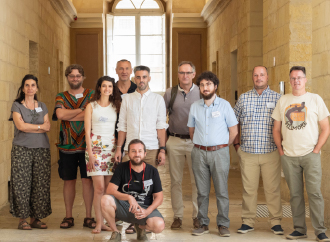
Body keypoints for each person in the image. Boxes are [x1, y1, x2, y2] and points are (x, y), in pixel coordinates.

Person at [272, 66, 330, 241]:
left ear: (305, 80)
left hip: (310, 155)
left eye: (299, 77)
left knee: (314, 193)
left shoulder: (315, 99)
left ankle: (320, 230)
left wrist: (317, 149)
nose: (296, 81)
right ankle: (299, 229)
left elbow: (326, 127)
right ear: (289, 81)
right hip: (289, 156)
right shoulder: (283, 100)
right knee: (295, 194)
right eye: (293, 78)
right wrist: (281, 151)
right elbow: (276, 129)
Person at [233, 66, 283, 234]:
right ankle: (248, 221)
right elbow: (234, 122)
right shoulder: (243, 98)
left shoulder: (278, 98)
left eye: (262, 75)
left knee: (273, 189)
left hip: (271, 153)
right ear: (252, 78)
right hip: (248, 153)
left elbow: (283, 125)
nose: (259, 78)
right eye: (255, 75)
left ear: (267, 77)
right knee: (249, 189)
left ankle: (276, 222)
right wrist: (236, 145)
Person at [187, 71, 238, 237]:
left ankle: (223, 224)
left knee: (221, 190)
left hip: (220, 153)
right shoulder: (195, 106)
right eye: (202, 85)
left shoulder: (225, 105)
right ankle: (202, 223)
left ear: (215, 86)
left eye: (208, 84)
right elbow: (192, 130)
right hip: (199, 153)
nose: (205, 87)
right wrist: (201, 144)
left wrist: (222, 146)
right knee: (202, 191)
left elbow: (233, 130)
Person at [52, 64, 95, 229]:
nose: (75, 78)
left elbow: (90, 115)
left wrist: (70, 114)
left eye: (78, 76)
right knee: (68, 181)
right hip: (67, 146)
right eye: (71, 76)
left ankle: (89, 217)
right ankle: (68, 216)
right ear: (67, 77)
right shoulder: (61, 96)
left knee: (87, 181)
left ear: (83, 77)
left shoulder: (91, 94)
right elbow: (59, 114)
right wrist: (80, 110)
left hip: (87, 146)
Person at [101, 139, 165, 241]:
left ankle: (140, 228)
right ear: (128, 153)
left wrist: (147, 211)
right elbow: (110, 190)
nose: (137, 154)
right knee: (105, 199)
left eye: (140, 151)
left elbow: (159, 197)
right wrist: (129, 197)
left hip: (144, 208)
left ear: (145, 154)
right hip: (125, 206)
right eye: (133, 151)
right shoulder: (121, 168)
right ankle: (116, 232)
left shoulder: (152, 171)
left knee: (159, 225)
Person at [9, 74, 51, 230]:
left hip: (42, 149)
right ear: (22, 88)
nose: (30, 88)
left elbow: (48, 126)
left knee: (40, 184)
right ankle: (22, 219)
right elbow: (21, 126)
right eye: (27, 85)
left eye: (33, 85)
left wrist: (31, 126)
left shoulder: (43, 105)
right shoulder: (16, 106)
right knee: (22, 184)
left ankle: (35, 218)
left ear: (37, 88)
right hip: (22, 149)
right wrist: (39, 127)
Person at [163, 61, 200, 229]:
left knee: (197, 181)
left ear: (194, 74)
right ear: (177, 74)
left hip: (196, 142)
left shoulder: (202, 91)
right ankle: (177, 216)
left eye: (188, 72)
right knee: (176, 181)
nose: (185, 76)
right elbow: (161, 118)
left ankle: (197, 216)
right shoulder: (170, 93)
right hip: (175, 140)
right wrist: (162, 145)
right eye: (182, 73)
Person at [84, 76, 121, 233]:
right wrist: (90, 154)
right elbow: (87, 131)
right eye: (104, 86)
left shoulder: (116, 106)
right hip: (95, 150)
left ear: (113, 89)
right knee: (98, 188)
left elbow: (120, 128)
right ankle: (98, 223)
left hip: (111, 150)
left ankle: (107, 221)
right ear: (99, 88)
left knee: (108, 188)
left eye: (110, 86)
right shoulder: (91, 106)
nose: (107, 89)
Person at [115, 65, 168, 167]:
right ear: (134, 79)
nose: (141, 80)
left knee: (149, 181)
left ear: (149, 78)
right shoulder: (127, 99)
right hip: (130, 148)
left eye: (144, 77)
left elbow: (161, 127)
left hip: (151, 149)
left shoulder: (158, 99)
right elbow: (122, 126)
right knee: (130, 181)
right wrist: (118, 149)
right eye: (138, 77)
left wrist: (162, 150)